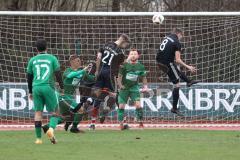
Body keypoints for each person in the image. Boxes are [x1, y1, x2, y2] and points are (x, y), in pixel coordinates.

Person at [42, 54, 95, 133]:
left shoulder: (81, 73)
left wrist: (98, 72)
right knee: (81, 110)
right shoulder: (68, 71)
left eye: (79, 60)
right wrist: (83, 70)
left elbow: (92, 79)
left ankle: (46, 127)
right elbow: (71, 75)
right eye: (78, 60)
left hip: (69, 98)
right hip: (63, 97)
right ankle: (74, 128)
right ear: (72, 62)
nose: (80, 62)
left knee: (66, 118)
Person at [89, 34, 131, 130]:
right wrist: (128, 59)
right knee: (116, 96)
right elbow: (123, 64)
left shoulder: (106, 44)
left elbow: (98, 58)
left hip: (100, 73)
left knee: (98, 97)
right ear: (123, 41)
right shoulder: (120, 52)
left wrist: (96, 71)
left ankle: (92, 123)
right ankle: (115, 115)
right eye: (126, 45)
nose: (125, 47)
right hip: (110, 74)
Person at [27, 39, 64, 144]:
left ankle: (38, 139)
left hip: (36, 87)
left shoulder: (32, 60)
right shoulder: (52, 58)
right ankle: (51, 130)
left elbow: (29, 77)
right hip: (48, 87)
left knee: (38, 113)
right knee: (56, 112)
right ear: (46, 48)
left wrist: (30, 91)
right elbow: (58, 73)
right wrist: (62, 86)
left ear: (36, 49)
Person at [156, 28, 200, 116]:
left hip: (159, 61)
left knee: (176, 71)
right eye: (181, 36)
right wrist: (189, 67)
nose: (181, 38)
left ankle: (189, 81)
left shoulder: (167, 37)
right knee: (177, 84)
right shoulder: (177, 42)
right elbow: (178, 60)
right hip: (167, 63)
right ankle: (174, 108)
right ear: (179, 34)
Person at [117, 49, 148, 130]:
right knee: (121, 106)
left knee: (138, 105)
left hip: (134, 88)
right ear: (129, 56)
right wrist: (120, 85)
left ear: (138, 56)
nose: (133, 55)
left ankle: (140, 123)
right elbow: (119, 76)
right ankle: (121, 125)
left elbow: (144, 77)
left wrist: (145, 86)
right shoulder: (124, 65)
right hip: (124, 88)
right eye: (131, 54)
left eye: (135, 54)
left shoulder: (141, 66)